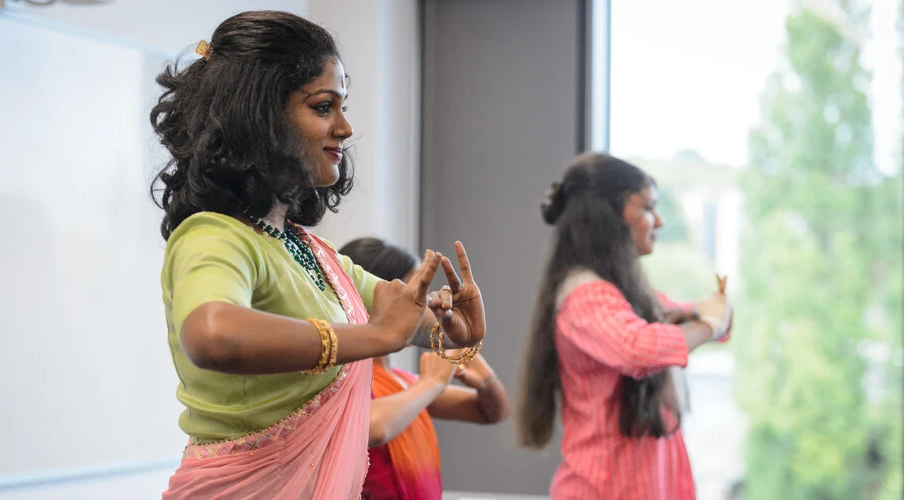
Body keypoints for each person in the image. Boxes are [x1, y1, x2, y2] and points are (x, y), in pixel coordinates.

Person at [149, 11, 486, 499]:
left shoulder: (315, 253)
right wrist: (373, 335)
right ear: (260, 116)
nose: (346, 129)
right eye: (324, 106)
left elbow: (419, 327)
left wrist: (461, 332)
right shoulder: (214, 236)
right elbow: (212, 334)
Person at [515, 152, 733, 500]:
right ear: (606, 215)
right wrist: (709, 324)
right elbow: (641, 349)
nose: (658, 222)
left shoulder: (624, 293)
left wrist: (710, 315)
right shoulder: (585, 296)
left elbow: (679, 318)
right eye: (647, 208)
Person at [339, 237, 511, 500]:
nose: (427, 307)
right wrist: (430, 384)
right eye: (416, 296)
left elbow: (491, 412)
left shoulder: (402, 383)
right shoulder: (346, 379)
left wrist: (485, 379)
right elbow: (372, 426)